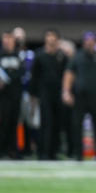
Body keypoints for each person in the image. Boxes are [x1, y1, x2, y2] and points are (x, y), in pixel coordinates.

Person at [62, 31, 96, 161]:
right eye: (87, 41)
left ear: (95, 43)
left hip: (95, 96)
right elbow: (69, 74)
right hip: (80, 96)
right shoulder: (77, 57)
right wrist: (66, 91)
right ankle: (78, 155)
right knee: (77, 125)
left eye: (92, 41)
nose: (89, 43)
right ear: (84, 43)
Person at [30, 29, 68, 159]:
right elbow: (34, 77)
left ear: (57, 41)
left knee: (57, 124)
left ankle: (54, 152)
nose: (51, 41)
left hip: (58, 94)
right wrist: (33, 97)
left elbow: (66, 76)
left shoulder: (62, 56)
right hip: (44, 94)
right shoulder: (39, 56)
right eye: (49, 38)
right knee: (46, 123)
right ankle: (43, 152)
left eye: (53, 39)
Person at [0, 31, 27, 159]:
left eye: (9, 38)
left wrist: (8, 78)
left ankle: (13, 150)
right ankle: (0, 150)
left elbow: (22, 71)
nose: (7, 41)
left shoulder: (20, 54)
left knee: (14, 121)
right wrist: (1, 80)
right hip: (3, 94)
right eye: (5, 38)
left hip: (16, 92)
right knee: (3, 120)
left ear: (13, 40)